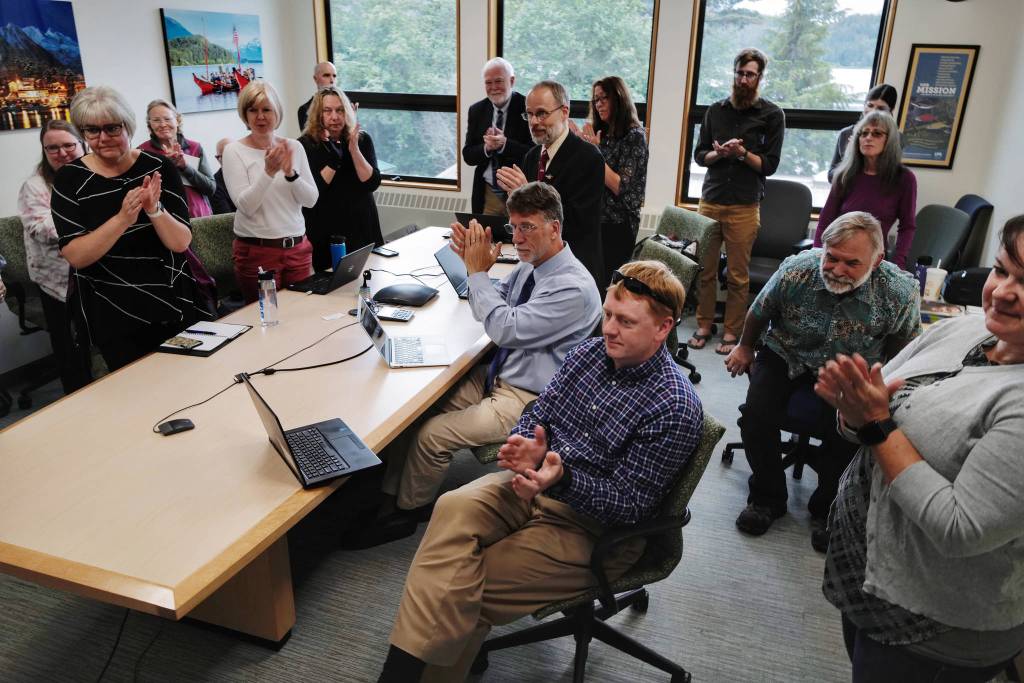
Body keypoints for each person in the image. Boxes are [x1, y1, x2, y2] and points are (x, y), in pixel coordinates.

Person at [376, 259, 703, 683]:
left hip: (592, 527)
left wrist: (562, 478)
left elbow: (630, 505)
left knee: (460, 585)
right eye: (606, 315)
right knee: (453, 507)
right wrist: (525, 442)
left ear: (663, 328)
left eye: (626, 321)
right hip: (535, 487)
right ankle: (437, 659)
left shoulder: (673, 406)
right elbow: (539, 412)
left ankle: (404, 674)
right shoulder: (589, 354)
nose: (608, 329)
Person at [814, 215, 1024, 681]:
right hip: (872, 574)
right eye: (1003, 269)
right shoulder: (968, 329)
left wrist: (874, 426)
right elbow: (878, 403)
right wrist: (853, 410)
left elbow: (959, 528)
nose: (1005, 291)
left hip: (935, 624)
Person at [350, 182, 603, 547]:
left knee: (431, 436)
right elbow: (496, 299)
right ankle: (390, 496)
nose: (517, 238)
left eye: (527, 227)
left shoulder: (572, 288)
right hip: (500, 376)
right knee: (416, 410)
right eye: (513, 227)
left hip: (530, 400)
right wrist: (471, 267)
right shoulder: (535, 266)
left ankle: (407, 513)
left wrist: (477, 274)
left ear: (555, 228)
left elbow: (503, 328)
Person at [723, 211, 920, 551]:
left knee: (847, 434)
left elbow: (904, 347)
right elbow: (759, 311)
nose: (836, 269)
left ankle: (828, 509)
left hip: (851, 368)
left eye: (851, 263)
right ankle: (767, 498)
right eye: (832, 257)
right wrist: (744, 347)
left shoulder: (898, 292)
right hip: (787, 353)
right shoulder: (797, 269)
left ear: (876, 261)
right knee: (756, 416)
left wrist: (881, 391)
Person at [51, 86, 211, 371]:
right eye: (91, 131)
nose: (102, 138)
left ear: (128, 126)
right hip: (112, 308)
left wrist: (153, 210)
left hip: (171, 297)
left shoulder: (158, 167)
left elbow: (180, 242)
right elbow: (76, 255)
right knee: (136, 395)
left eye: (112, 128)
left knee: (192, 380)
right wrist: (123, 218)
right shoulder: (69, 180)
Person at [689, 48, 785, 356]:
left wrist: (742, 154)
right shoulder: (716, 111)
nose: (743, 80)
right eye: (740, 73)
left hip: (744, 204)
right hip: (711, 199)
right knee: (704, 269)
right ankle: (704, 324)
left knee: (738, 274)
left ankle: (732, 331)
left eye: (750, 75)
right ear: (734, 74)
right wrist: (720, 153)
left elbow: (769, 165)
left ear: (759, 78)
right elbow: (700, 154)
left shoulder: (772, 115)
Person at [496, 80, 605, 287]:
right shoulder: (531, 156)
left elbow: (577, 223)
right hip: (536, 267)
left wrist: (526, 194)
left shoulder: (588, 158)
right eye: (529, 114)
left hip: (574, 273)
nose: (534, 122)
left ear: (564, 112)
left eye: (542, 113)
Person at [222, 81, 318, 303]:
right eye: (253, 110)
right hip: (257, 253)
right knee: (267, 321)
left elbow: (311, 200)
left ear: (277, 112)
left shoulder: (294, 147)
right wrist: (268, 172)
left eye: (266, 109)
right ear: (245, 115)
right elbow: (245, 206)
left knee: (303, 316)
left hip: (297, 249)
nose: (260, 117)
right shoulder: (234, 151)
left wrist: (291, 174)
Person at [17, 119, 93, 393]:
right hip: (56, 277)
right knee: (67, 344)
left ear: (82, 144)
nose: (62, 153)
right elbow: (38, 227)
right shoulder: (35, 185)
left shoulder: (95, 173)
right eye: (53, 148)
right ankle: (77, 397)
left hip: (95, 269)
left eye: (68, 145)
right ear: (44, 151)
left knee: (96, 335)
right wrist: (88, 220)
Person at [571, 75, 649, 288]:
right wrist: (578, 146)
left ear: (619, 98)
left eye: (604, 98)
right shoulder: (602, 133)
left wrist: (594, 153)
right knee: (590, 281)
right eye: (596, 100)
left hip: (619, 224)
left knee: (607, 285)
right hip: (596, 219)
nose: (599, 104)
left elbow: (620, 186)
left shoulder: (634, 136)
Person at [813, 111, 917, 269]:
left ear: (889, 140)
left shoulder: (904, 179)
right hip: (836, 255)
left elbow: (907, 227)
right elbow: (826, 219)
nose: (868, 138)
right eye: (864, 133)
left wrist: (898, 264)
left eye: (877, 133)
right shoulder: (844, 174)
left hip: (874, 260)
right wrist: (817, 254)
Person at [299, 86, 383, 271]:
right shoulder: (305, 145)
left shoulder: (361, 139)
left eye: (340, 110)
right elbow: (315, 192)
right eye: (327, 111)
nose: (335, 117)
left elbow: (372, 182)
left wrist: (353, 150)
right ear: (317, 115)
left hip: (362, 227)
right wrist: (334, 159)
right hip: (327, 232)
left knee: (371, 281)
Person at [462, 57, 532, 216]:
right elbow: (468, 155)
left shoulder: (527, 107)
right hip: (487, 192)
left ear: (512, 81)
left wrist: (505, 144)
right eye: (488, 82)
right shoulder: (477, 110)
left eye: (499, 81)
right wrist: (486, 148)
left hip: (519, 191)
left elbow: (535, 152)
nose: (494, 87)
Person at [137, 99, 216, 219]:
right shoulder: (142, 152)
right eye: (156, 120)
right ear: (150, 125)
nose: (163, 124)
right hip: (164, 220)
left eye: (167, 119)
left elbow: (211, 188)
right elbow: (139, 193)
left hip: (199, 218)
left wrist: (185, 167)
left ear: (177, 120)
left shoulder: (195, 147)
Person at [827, 84, 898, 184]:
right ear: (864, 105)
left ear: (891, 111)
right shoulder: (846, 133)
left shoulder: (897, 138)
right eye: (870, 105)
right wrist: (850, 153)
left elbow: (892, 177)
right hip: (847, 192)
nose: (873, 111)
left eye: (881, 108)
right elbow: (831, 177)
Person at [297, 61, 337, 130]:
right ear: (315, 79)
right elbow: (307, 139)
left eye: (334, 76)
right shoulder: (305, 109)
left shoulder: (344, 106)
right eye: (326, 75)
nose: (332, 80)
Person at [210, 137, 236, 215]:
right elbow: (226, 219)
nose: (223, 159)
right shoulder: (215, 185)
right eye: (220, 157)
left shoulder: (250, 172)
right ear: (217, 158)